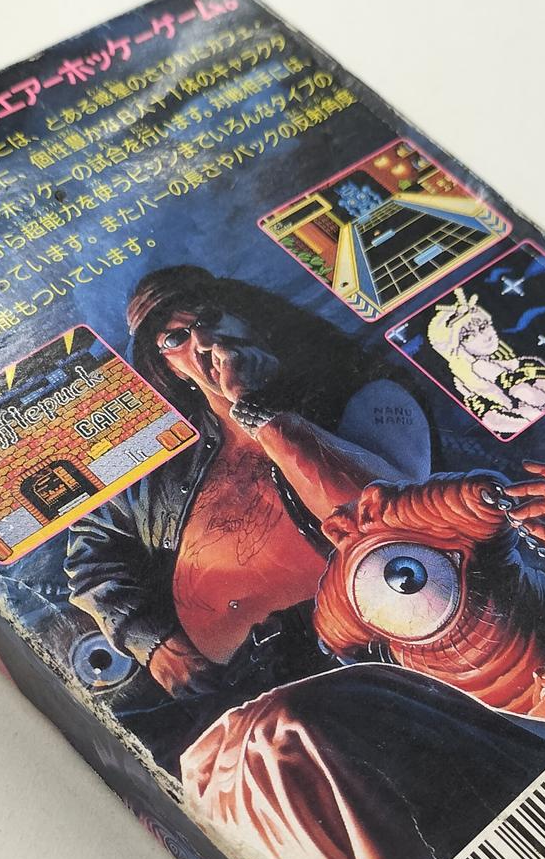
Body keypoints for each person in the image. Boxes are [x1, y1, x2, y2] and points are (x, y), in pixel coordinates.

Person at [64, 265, 431, 763]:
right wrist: (151, 640)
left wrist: (256, 407)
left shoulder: (358, 391)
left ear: (246, 314)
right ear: (167, 366)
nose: (203, 341)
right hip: (216, 698)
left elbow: (392, 522)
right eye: (175, 338)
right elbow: (90, 547)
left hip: (356, 665)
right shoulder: (164, 455)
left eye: (210, 317)